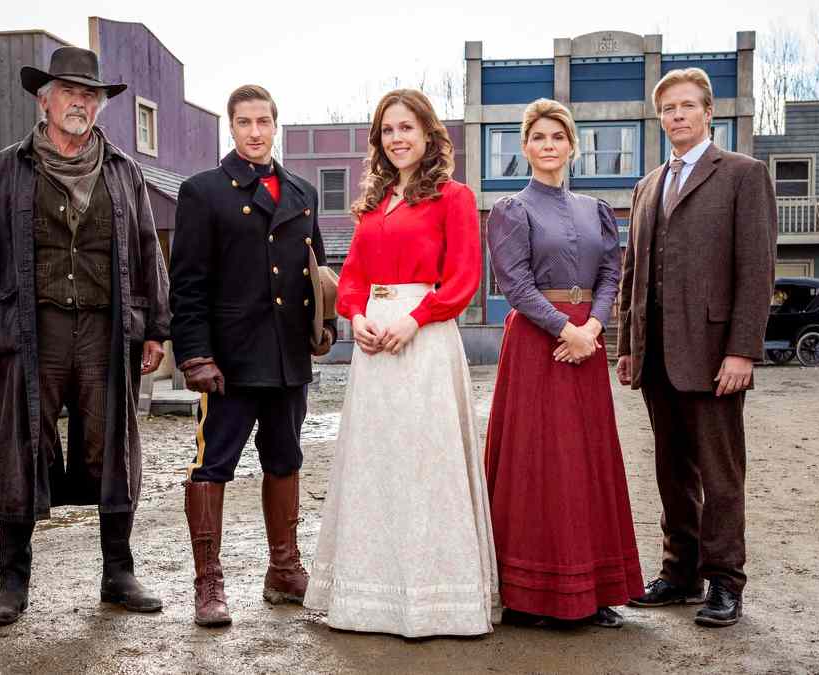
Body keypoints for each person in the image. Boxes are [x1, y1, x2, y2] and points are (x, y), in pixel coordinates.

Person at [0, 46, 170, 626]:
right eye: (70, 93)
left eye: (90, 95)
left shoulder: (123, 170)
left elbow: (147, 250)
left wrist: (156, 327)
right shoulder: (9, 167)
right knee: (21, 444)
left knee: (111, 443)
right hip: (32, 328)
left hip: (106, 329)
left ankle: (118, 572)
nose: (81, 103)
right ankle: (13, 581)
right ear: (44, 101)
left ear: (99, 105)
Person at [303, 89, 498, 638]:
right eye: (387, 130)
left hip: (425, 337)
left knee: (426, 462)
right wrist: (356, 315)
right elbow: (354, 275)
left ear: (428, 133)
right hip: (374, 346)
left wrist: (417, 318)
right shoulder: (373, 204)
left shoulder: (454, 197)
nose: (397, 138)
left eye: (406, 127)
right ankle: (371, 599)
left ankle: (437, 601)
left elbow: (464, 277)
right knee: (377, 462)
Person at [169, 84, 334, 627]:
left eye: (264, 121)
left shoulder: (303, 192)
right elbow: (187, 283)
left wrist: (326, 324)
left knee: (285, 460)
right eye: (245, 122)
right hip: (229, 362)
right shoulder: (203, 192)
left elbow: (318, 270)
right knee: (213, 464)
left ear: (275, 125)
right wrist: (196, 355)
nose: (255, 132)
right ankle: (208, 582)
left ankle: (283, 570)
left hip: (287, 358)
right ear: (232, 127)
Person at [616, 68, 776, 627]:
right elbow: (633, 273)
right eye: (668, 108)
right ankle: (679, 573)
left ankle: (725, 581)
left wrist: (742, 350)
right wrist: (628, 345)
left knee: (720, 474)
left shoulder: (743, 175)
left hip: (714, 355)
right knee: (671, 471)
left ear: (709, 112)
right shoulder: (647, 186)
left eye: (687, 106)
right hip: (656, 354)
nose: (677, 115)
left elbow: (757, 270)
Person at [484, 99, 643, 628]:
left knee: (585, 462)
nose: (548, 145)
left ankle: (592, 591)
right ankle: (530, 596)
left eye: (558, 137)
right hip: (538, 344)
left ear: (572, 146)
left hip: (587, 345)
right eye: (538, 137)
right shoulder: (512, 209)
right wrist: (564, 328)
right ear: (526, 147)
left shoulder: (596, 210)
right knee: (537, 461)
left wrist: (593, 328)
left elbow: (611, 274)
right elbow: (515, 283)